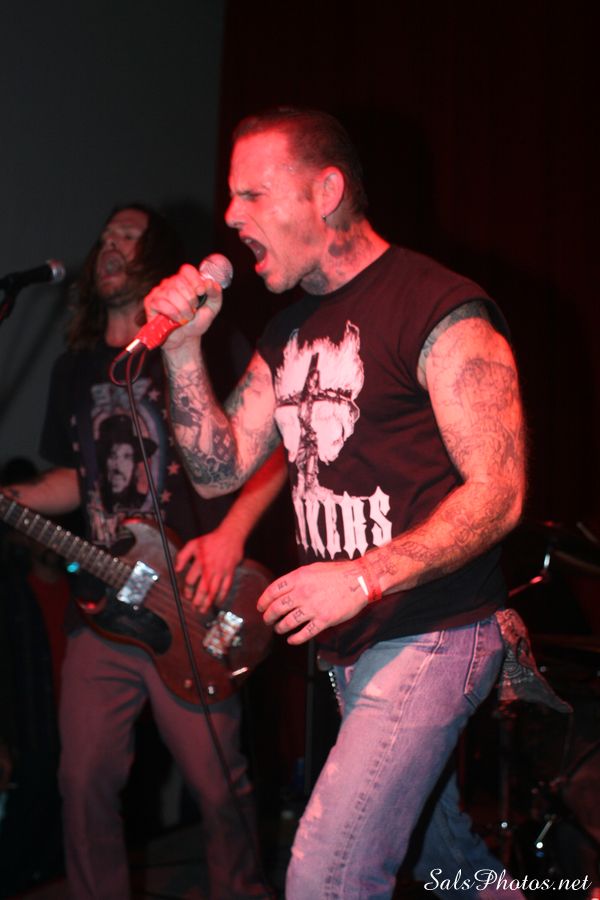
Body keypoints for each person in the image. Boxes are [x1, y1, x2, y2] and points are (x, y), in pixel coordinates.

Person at [144, 107, 528, 899]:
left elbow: (500, 492)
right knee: (450, 866)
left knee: (328, 874)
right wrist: (181, 350)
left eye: (252, 195)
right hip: (357, 645)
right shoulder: (287, 329)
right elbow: (218, 469)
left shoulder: (440, 307)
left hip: (434, 628)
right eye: (231, 197)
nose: (230, 217)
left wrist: (360, 577)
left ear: (326, 192)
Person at [0, 203, 285, 899]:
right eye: (106, 236)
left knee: (218, 789)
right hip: (103, 607)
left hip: (191, 600)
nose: (111, 245)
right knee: (82, 780)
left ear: (156, 255)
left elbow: (273, 451)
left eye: (128, 236)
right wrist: (13, 500)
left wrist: (229, 536)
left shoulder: (199, 342)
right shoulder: (74, 370)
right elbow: (77, 477)